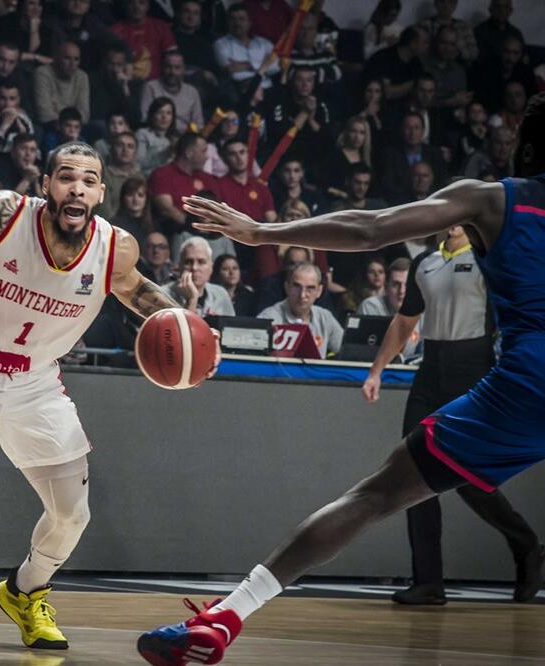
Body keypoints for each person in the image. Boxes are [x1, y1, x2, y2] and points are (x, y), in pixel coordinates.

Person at [137, 91, 545, 666]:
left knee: (374, 496)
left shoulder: (492, 199)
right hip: (493, 371)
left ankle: (225, 617)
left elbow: (372, 228)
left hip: (527, 384)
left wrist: (261, 233)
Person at [0, 142, 204, 651]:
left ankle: (25, 590)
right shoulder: (6, 213)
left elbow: (139, 292)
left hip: (35, 383)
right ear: (47, 184)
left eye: (89, 181)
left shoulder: (115, 248)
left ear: (101, 192)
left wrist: (188, 324)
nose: (77, 189)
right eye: (67, 177)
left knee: (72, 515)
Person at [363, 228, 543, 605]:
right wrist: (376, 370)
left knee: (469, 479)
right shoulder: (424, 262)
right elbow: (405, 321)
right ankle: (428, 581)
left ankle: (526, 544)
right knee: (411, 469)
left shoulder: (488, 259)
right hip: (431, 369)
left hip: (474, 365)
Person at [257, 261, 343, 357]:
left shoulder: (325, 317)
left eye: (310, 288)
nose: (302, 295)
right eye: (297, 287)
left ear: (319, 291)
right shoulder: (268, 318)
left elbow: (346, 351)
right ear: (286, 287)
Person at [162, 236, 234, 317]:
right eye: (188, 262)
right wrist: (191, 300)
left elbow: (231, 325)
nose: (194, 268)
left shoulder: (221, 294)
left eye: (201, 262)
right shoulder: (163, 295)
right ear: (179, 266)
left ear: (211, 267)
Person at [139, 50, 203, 134]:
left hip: (185, 138)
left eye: (177, 67)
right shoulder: (151, 87)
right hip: (158, 135)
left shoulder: (192, 92)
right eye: (168, 67)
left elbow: (198, 125)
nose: (172, 72)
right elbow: (145, 119)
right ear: (162, 67)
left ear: (183, 69)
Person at [33, 41, 89, 129]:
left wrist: (57, 108)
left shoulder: (82, 76)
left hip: (76, 127)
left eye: (76, 59)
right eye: (67, 58)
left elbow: (84, 113)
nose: (72, 64)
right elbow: (44, 113)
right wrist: (67, 124)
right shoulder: (42, 73)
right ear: (57, 58)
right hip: (50, 126)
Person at [135, 97, 177, 176]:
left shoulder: (174, 139)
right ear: (152, 115)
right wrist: (166, 153)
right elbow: (139, 163)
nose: (164, 117)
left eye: (168, 113)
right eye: (160, 112)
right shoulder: (143, 134)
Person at [110, 176, 153, 246]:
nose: (135, 199)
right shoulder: (113, 225)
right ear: (123, 198)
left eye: (140, 195)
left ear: (146, 198)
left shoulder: (155, 226)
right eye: (130, 195)